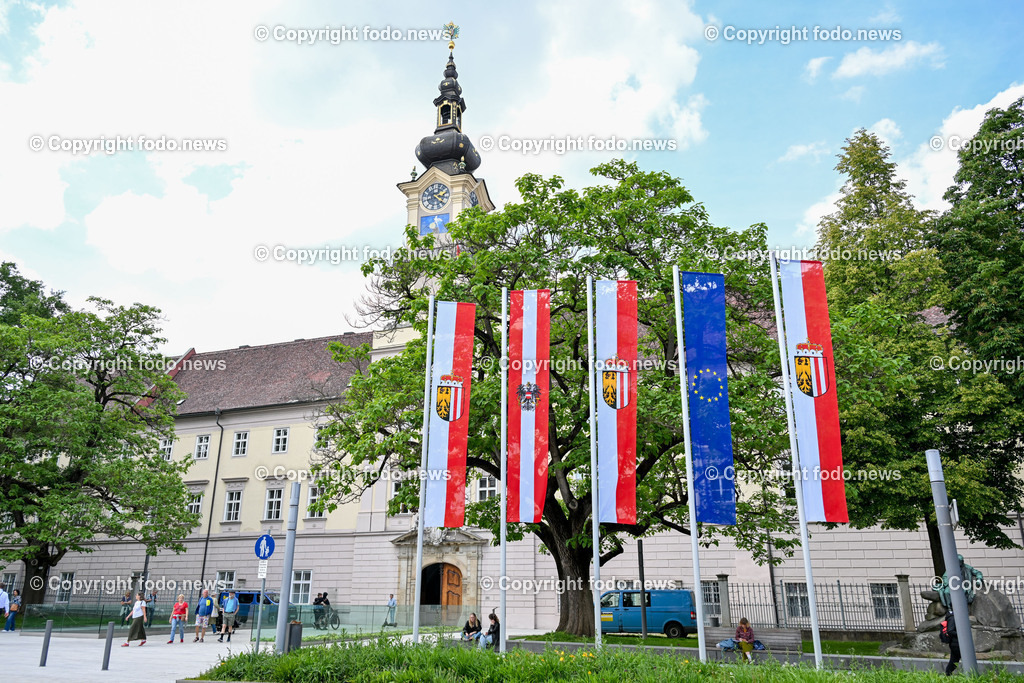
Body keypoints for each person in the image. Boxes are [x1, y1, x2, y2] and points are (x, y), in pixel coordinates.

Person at [942, 610, 961, 676]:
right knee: (955, 660)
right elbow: (950, 631)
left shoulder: (954, 617)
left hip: (956, 643)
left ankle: (947, 675)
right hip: (956, 643)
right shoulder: (952, 618)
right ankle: (947, 674)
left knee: (954, 661)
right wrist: (961, 634)